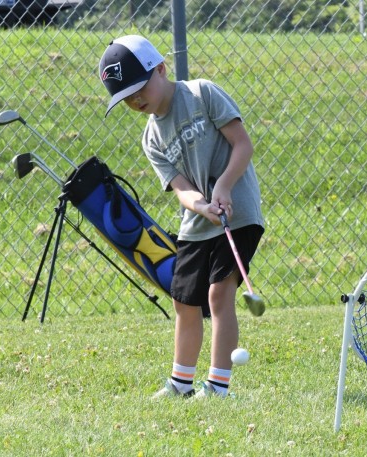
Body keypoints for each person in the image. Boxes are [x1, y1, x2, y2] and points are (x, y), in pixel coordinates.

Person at [98, 35, 264, 398]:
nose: (135, 100)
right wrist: (200, 205)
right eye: (125, 97)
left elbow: (243, 145)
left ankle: (218, 386)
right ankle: (180, 383)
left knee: (220, 294)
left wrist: (223, 186)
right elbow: (180, 187)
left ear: (160, 68)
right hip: (198, 222)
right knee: (184, 300)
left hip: (238, 213)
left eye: (138, 88)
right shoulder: (151, 138)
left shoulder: (202, 94)